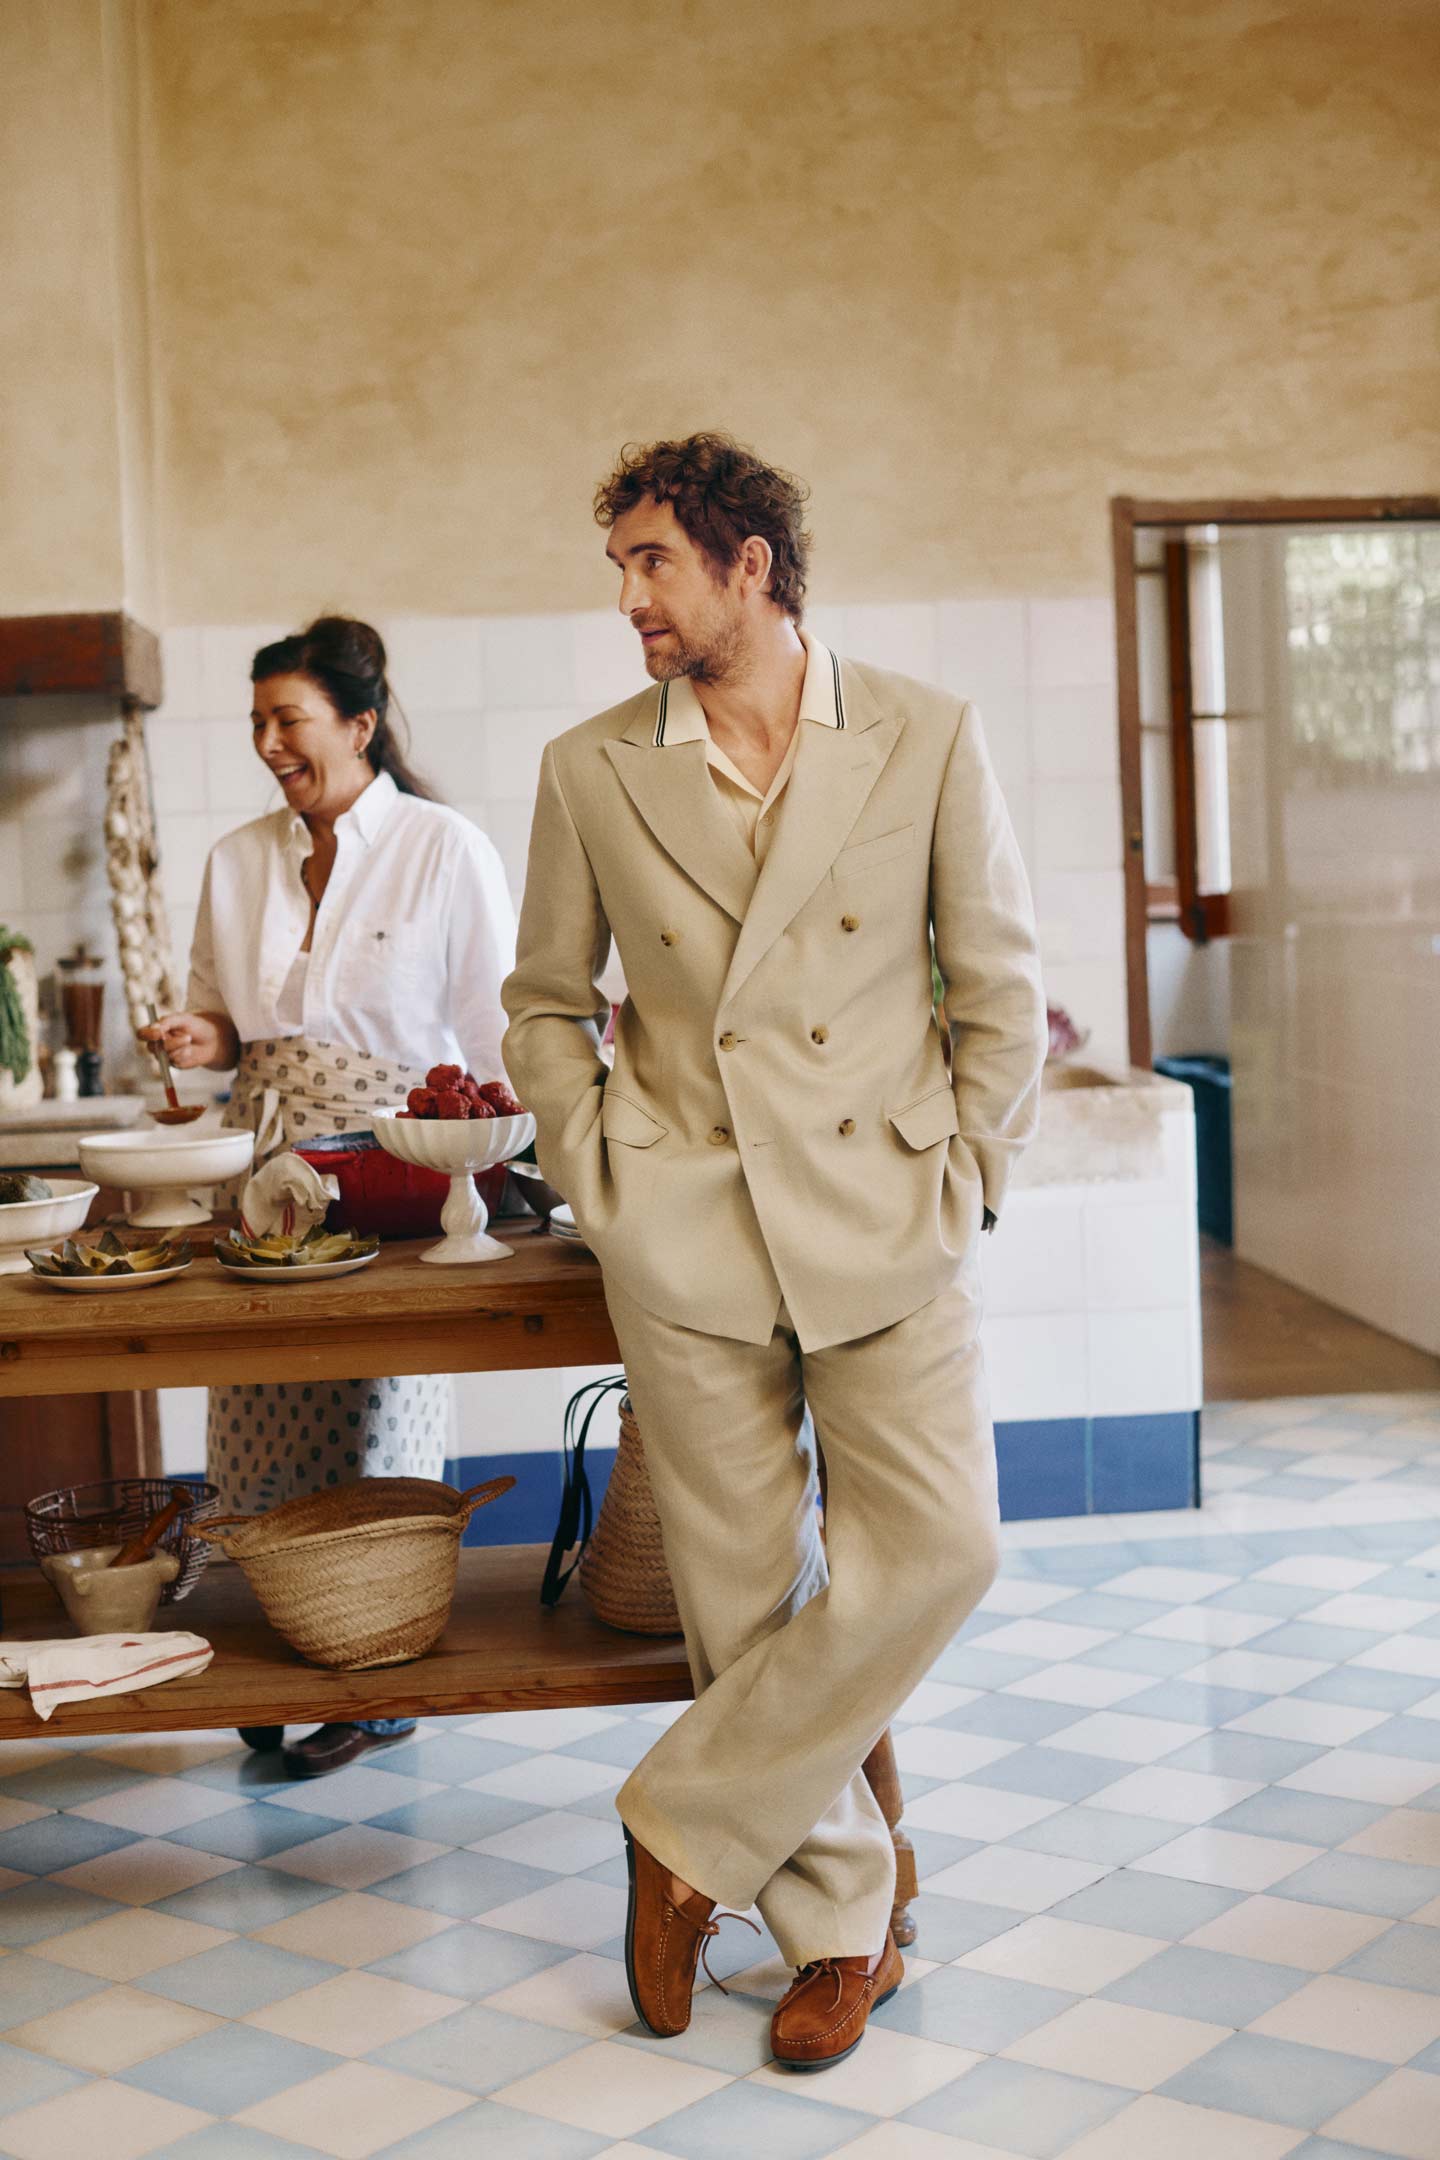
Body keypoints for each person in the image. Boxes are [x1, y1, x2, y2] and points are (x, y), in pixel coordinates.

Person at [502, 433, 1046, 2071]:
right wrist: (602, 1174)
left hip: (886, 1214)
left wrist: (968, 1173)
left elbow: (999, 987)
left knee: (944, 1548)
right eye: (620, 565)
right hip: (688, 1229)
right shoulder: (592, 768)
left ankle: (679, 1828)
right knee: (742, 1603)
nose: (628, 597)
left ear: (751, 564)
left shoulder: (923, 733)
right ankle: (834, 1935)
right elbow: (545, 1006)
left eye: (653, 561)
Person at [144, 615, 515, 1777]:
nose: (268, 742)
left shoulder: (443, 848)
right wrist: (197, 1037)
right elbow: (224, 1024)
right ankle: (277, 1652)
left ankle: (377, 1672)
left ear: (360, 725)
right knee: (257, 1414)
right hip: (268, 1179)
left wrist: (513, 1164)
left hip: (395, 1173)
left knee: (375, 1416)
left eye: (288, 719)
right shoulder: (236, 859)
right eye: (257, 721)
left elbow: (494, 1029)